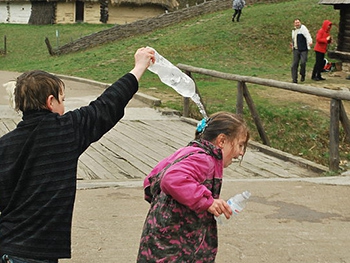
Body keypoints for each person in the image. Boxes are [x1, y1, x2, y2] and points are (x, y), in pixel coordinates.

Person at [0, 47, 155, 263]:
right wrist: (139, 67)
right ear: (50, 102)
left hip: (8, 247)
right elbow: (108, 105)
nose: (64, 106)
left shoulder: (5, 144)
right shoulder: (66, 130)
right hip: (39, 252)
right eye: (62, 100)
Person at [137, 112, 250, 262]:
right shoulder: (204, 159)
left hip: (160, 240)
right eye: (240, 145)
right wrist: (206, 201)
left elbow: (151, 179)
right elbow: (171, 178)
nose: (241, 152)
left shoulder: (188, 151)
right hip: (174, 249)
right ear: (221, 141)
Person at [290, 18, 313, 83]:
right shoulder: (294, 30)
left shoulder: (303, 29)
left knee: (303, 62)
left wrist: (310, 41)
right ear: (294, 24)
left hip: (303, 49)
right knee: (294, 64)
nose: (297, 24)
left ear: (300, 23)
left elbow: (307, 35)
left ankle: (302, 74)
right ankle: (294, 79)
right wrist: (292, 44)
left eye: (298, 22)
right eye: (296, 23)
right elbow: (293, 38)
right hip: (296, 49)